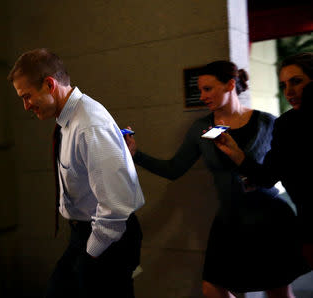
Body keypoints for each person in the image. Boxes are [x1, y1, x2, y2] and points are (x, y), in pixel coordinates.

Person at [125, 60, 308, 298]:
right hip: (230, 219)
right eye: (200, 90)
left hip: (269, 218)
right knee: (212, 287)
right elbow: (173, 169)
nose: (202, 96)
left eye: (208, 89)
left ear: (230, 85)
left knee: (278, 290)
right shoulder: (202, 129)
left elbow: (273, 175)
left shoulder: (268, 122)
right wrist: (135, 155)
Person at [7, 48, 145, 298]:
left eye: (27, 97)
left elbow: (116, 208)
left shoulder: (89, 125)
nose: (26, 106)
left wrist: (90, 254)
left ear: (49, 84)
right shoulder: (68, 120)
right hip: (85, 233)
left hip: (108, 238)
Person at [214, 53, 313, 269]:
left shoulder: (274, 122)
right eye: (284, 84)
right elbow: (268, 176)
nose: (289, 92)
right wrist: (236, 153)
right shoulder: (287, 125)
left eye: (296, 81)